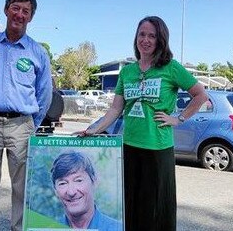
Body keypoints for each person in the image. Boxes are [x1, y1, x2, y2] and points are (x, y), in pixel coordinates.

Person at [81, 16, 208, 230]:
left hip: (157, 149)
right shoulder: (127, 72)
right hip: (129, 147)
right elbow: (115, 109)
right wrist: (94, 129)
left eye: (152, 36)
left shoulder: (171, 68)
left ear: (161, 40)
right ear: (136, 37)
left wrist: (178, 119)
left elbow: (201, 95)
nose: (146, 40)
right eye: (142, 34)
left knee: (156, 209)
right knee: (131, 206)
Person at [0, 0, 53, 231]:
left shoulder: (38, 52)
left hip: (22, 125)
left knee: (22, 188)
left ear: (31, 17)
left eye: (25, 11)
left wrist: (30, 123)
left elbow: (44, 94)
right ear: (6, 9)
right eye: (16, 8)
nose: (19, 14)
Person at [50, 151, 123, 230]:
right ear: (55, 190)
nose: (71, 192)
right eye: (63, 183)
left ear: (94, 182)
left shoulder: (118, 228)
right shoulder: (46, 229)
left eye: (78, 180)